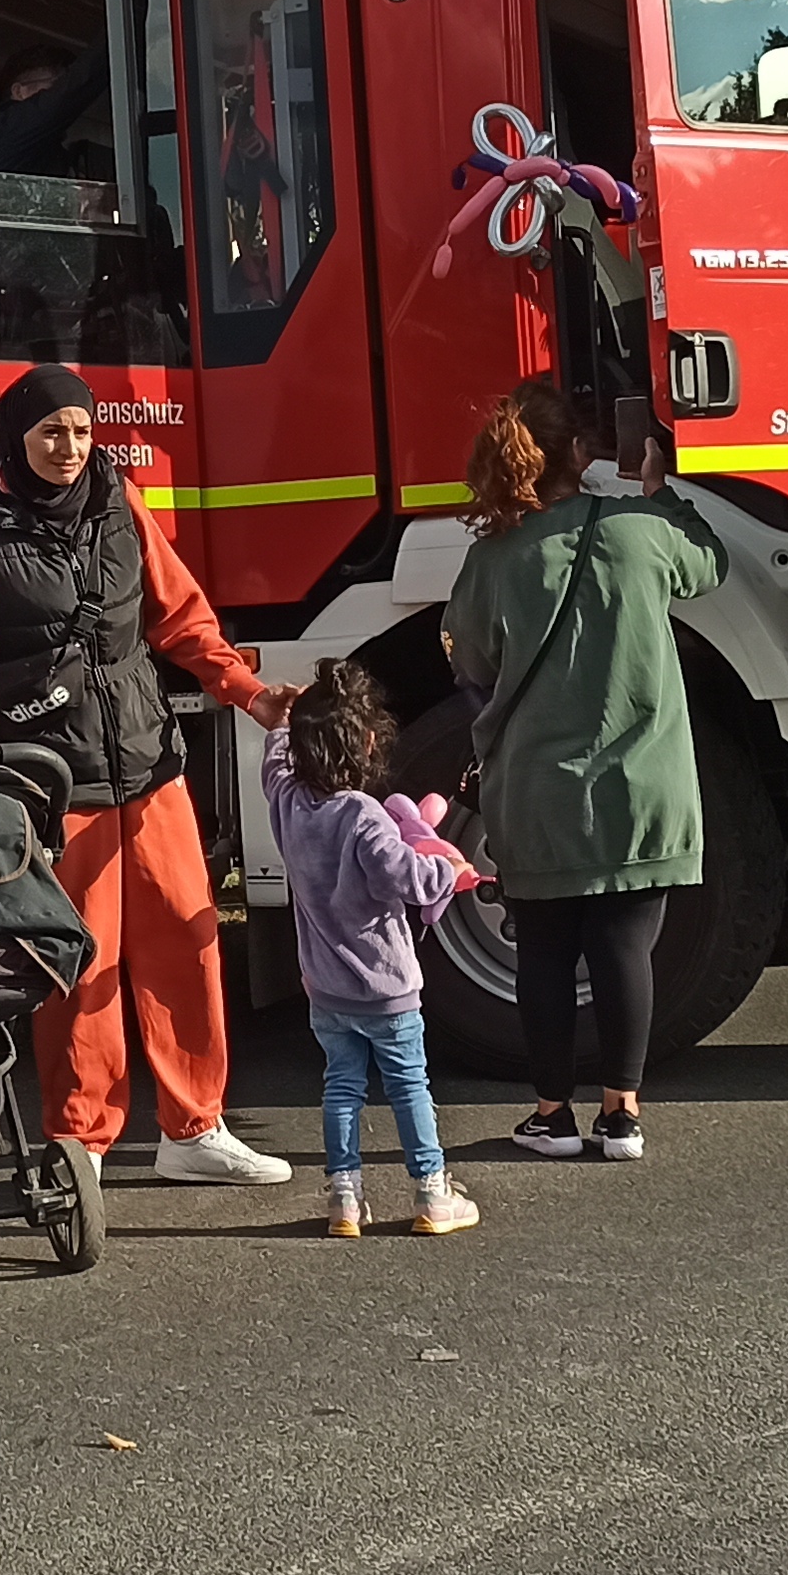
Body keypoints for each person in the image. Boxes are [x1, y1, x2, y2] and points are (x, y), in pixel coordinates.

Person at [0, 364, 297, 1185]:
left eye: (82, 431)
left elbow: (183, 620)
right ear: (16, 437)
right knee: (81, 963)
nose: (70, 448)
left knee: (188, 941)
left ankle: (195, 1131)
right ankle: (79, 1140)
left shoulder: (123, 507)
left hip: (150, 763)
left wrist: (251, 696)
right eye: (52, 432)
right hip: (57, 781)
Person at [444, 384, 728, 1162]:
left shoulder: (493, 558)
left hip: (536, 790)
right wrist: (660, 493)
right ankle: (622, 1114)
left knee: (541, 948)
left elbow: (470, 660)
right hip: (646, 786)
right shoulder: (640, 534)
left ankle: (550, 1115)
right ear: (578, 454)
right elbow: (710, 565)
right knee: (625, 948)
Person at [262, 666, 479, 1238]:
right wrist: (449, 871)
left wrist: (281, 723)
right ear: (367, 742)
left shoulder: (289, 804)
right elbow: (404, 876)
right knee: (409, 1086)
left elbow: (275, 765)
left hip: (325, 988)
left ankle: (344, 1200)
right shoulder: (363, 815)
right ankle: (433, 1195)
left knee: (341, 1085)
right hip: (386, 989)